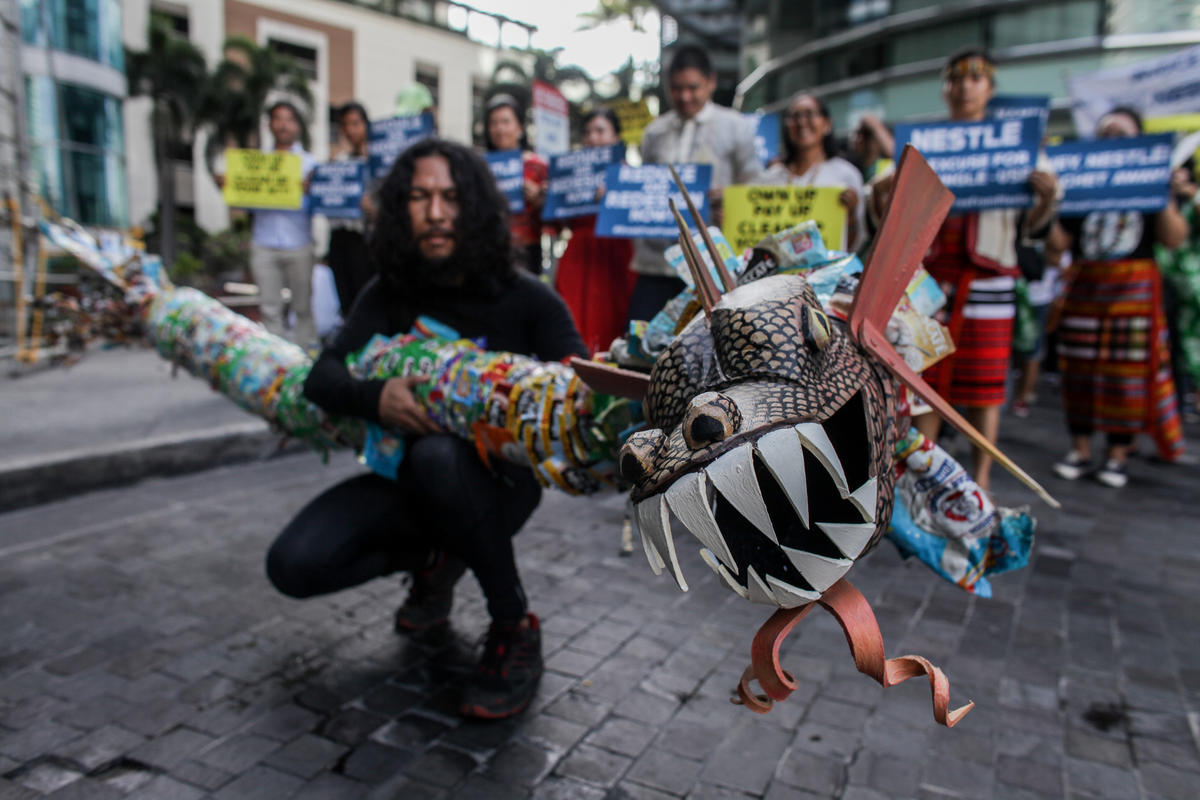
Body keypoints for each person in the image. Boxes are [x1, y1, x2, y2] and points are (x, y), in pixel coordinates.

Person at [265, 138, 587, 719]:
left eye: (449, 197)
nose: (435, 213)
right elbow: (321, 377)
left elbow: (576, 394)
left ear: (475, 208)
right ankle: (438, 564)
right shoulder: (389, 292)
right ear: (399, 210)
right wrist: (376, 397)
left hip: (499, 488)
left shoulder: (528, 299)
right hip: (404, 485)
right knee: (293, 564)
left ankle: (514, 625)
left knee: (439, 456)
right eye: (418, 197)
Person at [871, 48, 1059, 494]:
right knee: (923, 381)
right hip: (928, 280)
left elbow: (1035, 227)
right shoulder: (925, 141)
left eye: (975, 78)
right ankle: (923, 477)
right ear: (945, 88)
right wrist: (881, 191)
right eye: (955, 78)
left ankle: (981, 481)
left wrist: (1046, 198)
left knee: (985, 384)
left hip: (989, 277)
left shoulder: (1020, 145)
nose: (963, 86)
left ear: (990, 89)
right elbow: (885, 208)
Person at [1052, 108, 1188, 487]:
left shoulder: (1149, 184)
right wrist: (1051, 203)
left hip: (1132, 293)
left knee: (1124, 377)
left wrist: (1158, 190)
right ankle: (1079, 450)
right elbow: (1057, 246)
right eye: (1105, 132)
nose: (1112, 138)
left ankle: (1117, 455)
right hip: (1086, 290)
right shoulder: (1082, 185)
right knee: (1078, 371)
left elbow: (1174, 238)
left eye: (1121, 132)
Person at [629, 45, 762, 322]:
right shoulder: (654, 132)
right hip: (657, 262)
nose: (684, 96)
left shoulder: (735, 126)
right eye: (676, 89)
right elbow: (645, 187)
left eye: (693, 87)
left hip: (711, 264)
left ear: (711, 82)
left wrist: (729, 199)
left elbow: (754, 189)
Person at [554, 107, 637, 355]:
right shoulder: (569, 175)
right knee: (573, 320)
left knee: (614, 318)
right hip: (579, 255)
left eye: (601, 131)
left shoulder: (630, 174)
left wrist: (615, 197)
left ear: (615, 137)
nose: (593, 138)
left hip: (616, 255)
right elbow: (562, 224)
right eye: (588, 132)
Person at [248, 101, 319, 345]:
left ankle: (305, 358)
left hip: (299, 242)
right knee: (269, 308)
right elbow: (246, 203)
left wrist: (310, 190)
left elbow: (320, 206)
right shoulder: (254, 163)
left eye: (289, 119)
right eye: (278, 118)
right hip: (264, 242)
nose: (283, 124)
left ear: (297, 126)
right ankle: (275, 360)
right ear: (270, 124)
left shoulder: (310, 164)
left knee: (303, 306)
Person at [761, 92, 866, 252]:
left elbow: (854, 244)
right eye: (795, 117)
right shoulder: (770, 178)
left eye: (810, 114)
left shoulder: (846, 174)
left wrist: (850, 215)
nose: (802, 122)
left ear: (826, 124)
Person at [484, 94, 548, 275]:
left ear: (519, 128)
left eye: (505, 121)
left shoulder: (538, 167)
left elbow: (555, 222)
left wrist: (538, 200)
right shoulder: (479, 167)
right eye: (494, 123)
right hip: (489, 251)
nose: (499, 128)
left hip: (527, 252)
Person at [1157, 160, 1200, 422]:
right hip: (1163, 288)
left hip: (1193, 293)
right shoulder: (1158, 194)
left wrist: (1191, 193)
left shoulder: (1191, 199)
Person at [326, 101, 375, 320]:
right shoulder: (338, 162)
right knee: (346, 299)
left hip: (366, 240)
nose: (351, 130)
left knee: (367, 298)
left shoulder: (378, 162)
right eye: (345, 125)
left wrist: (372, 209)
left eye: (356, 123)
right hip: (340, 236)